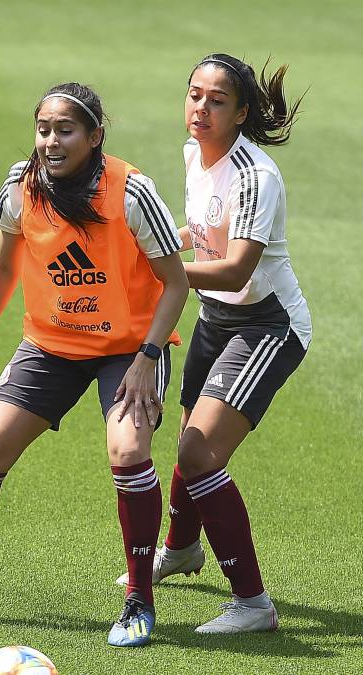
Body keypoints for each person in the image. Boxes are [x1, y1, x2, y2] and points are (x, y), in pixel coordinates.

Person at [0, 83, 188, 648]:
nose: (51, 141)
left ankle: (139, 600)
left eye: (65, 130)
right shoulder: (21, 186)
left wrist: (149, 356)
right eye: (43, 129)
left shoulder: (132, 192)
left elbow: (176, 283)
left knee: (128, 450)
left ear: (95, 137)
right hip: (50, 344)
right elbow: (4, 268)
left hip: (129, 348)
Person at [114, 53, 309, 634]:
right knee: (187, 439)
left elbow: (231, 270)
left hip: (268, 324)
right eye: (194, 94)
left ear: (242, 112)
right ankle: (181, 550)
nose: (200, 108)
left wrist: (154, 267)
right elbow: (198, 237)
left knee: (200, 455)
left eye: (216, 100)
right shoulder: (193, 156)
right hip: (218, 320)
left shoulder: (255, 176)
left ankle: (253, 603)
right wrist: (157, 244)